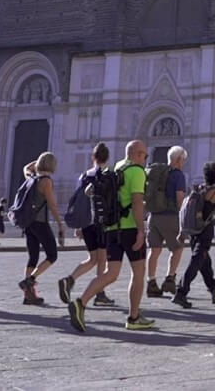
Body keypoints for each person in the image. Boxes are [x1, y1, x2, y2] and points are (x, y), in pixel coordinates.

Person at [68, 139, 156, 332]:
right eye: (144, 155)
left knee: (110, 273)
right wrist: (141, 230)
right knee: (138, 273)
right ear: (138, 154)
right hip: (130, 229)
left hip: (111, 229)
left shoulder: (116, 168)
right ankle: (133, 317)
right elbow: (136, 202)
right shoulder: (137, 172)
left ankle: (80, 303)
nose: (145, 159)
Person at [58, 142, 114, 307]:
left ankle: (70, 280)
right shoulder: (110, 175)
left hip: (88, 223)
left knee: (93, 258)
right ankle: (100, 293)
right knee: (101, 259)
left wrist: (78, 226)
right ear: (107, 158)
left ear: (93, 157)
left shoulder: (84, 176)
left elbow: (79, 202)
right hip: (103, 222)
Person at [172, 161, 215, 318]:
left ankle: (214, 289)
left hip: (195, 231)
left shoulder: (200, 189)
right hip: (205, 231)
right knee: (197, 260)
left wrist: (182, 232)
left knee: (204, 262)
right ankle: (181, 292)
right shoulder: (214, 192)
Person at [17, 152, 66, 305]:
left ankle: (28, 296)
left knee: (33, 257)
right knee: (52, 255)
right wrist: (60, 223)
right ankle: (29, 281)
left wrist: (37, 162)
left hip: (29, 224)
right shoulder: (46, 181)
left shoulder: (31, 177)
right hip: (40, 223)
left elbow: (26, 167)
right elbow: (52, 205)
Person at [145, 146, 188, 299]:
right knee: (177, 248)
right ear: (178, 159)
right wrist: (180, 214)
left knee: (154, 251)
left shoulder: (159, 173)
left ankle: (151, 282)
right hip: (170, 216)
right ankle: (169, 279)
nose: (183, 162)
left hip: (153, 216)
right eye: (183, 159)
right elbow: (179, 197)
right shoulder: (178, 175)